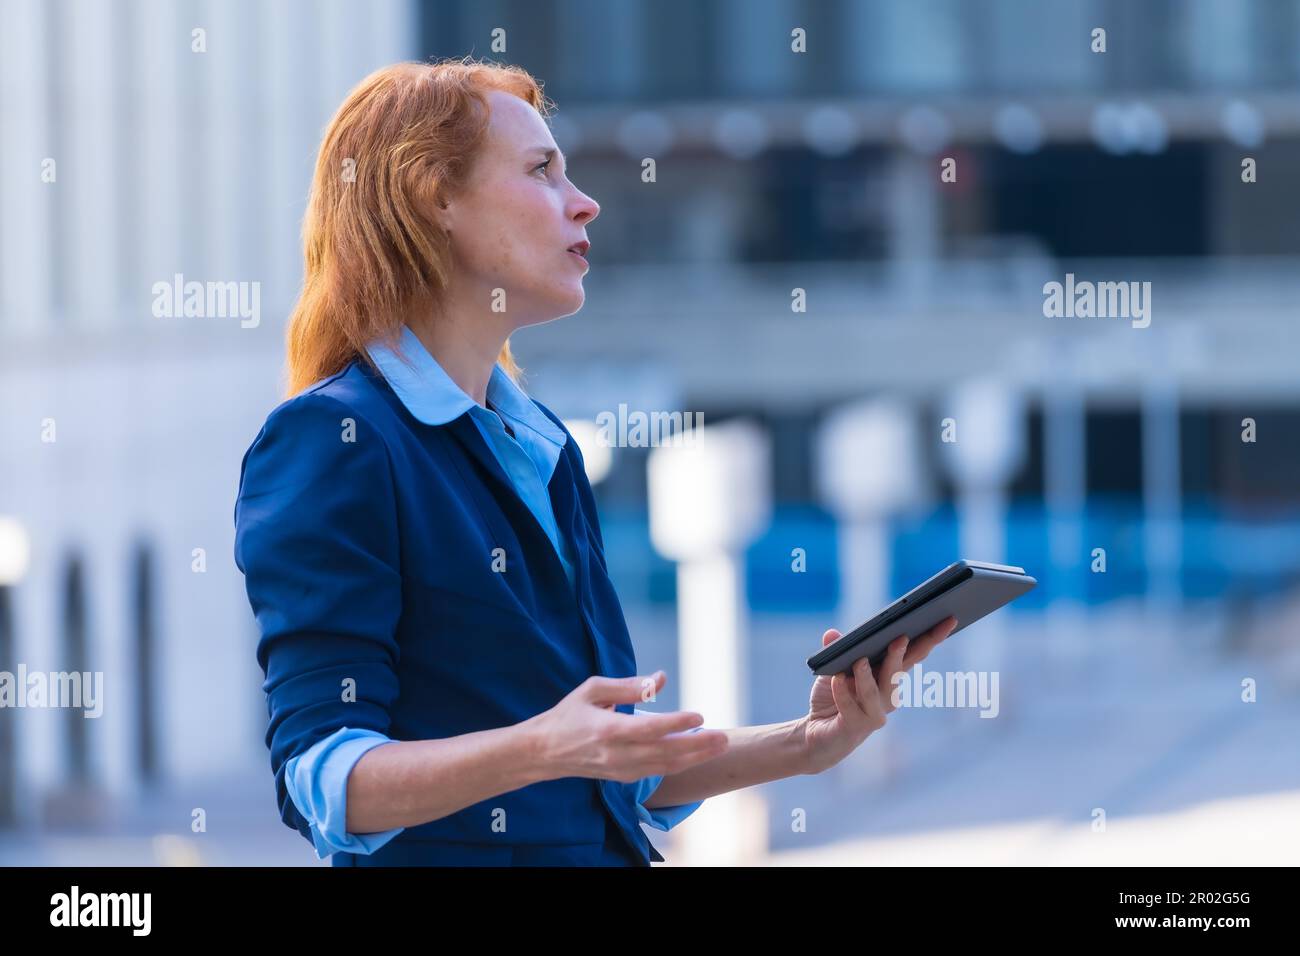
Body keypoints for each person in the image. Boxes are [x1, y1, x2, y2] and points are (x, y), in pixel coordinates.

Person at [232, 56, 958, 867]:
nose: (585, 201)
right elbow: (322, 779)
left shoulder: (541, 443)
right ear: (433, 198)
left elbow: (611, 768)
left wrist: (811, 741)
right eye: (542, 171)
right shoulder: (334, 443)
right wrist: (542, 748)